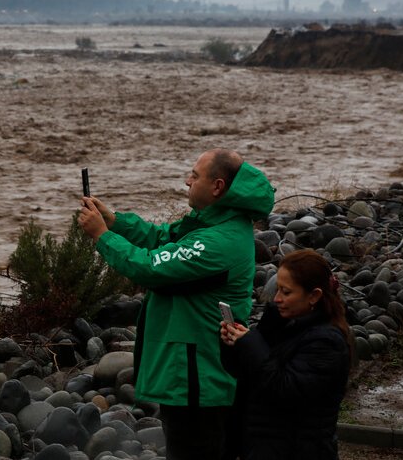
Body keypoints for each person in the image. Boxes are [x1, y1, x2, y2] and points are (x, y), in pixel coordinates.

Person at [78, 149, 275, 460]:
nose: (187, 181)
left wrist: (102, 237)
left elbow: (150, 267)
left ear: (217, 186)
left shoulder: (219, 241)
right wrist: (114, 222)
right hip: (194, 379)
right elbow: (162, 240)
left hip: (198, 384)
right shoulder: (215, 222)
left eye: (195, 176)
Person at [220, 249, 351, 460]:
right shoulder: (283, 324)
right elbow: (248, 373)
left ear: (314, 296)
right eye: (277, 290)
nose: (277, 299)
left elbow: (284, 389)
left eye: (286, 292)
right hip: (265, 447)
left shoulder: (327, 342)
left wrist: (252, 344)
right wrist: (234, 345)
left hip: (297, 450)